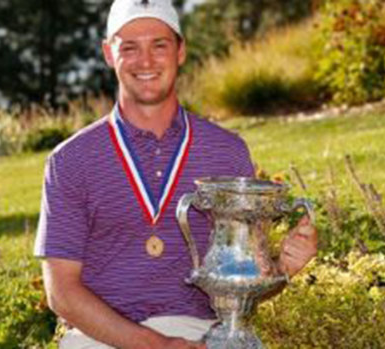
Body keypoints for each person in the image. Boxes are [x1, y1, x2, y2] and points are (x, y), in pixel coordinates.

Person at [33, 0, 318, 348]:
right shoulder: (71, 160)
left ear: (181, 51)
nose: (146, 61)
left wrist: (282, 269)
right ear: (109, 53)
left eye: (159, 45)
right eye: (130, 48)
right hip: (102, 337)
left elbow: (240, 282)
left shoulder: (226, 152)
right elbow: (61, 292)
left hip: (203, 333)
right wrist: (155, 345)